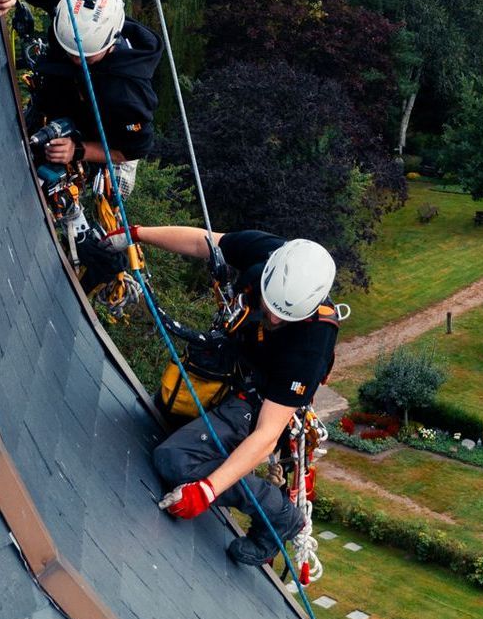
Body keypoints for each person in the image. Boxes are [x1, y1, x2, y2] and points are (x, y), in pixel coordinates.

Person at [138, 226, 340, 567]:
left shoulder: (312, 343)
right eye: (270, 305)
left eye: (284, 316)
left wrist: (207, 489)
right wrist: (137, 233)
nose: (273, 317)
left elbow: (266, 434)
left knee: (174, 461)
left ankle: (278, 515)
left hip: (259, 400)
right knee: (164, 413)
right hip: (233, 368)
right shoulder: (271, 254)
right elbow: (204, 242)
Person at [0, 0, 161, 191]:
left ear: (111, 42)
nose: (75, 59)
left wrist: (78, 150)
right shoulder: (72, 9)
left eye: (86, 57)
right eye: (68, 49)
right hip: (52, 103)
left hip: (84, 133)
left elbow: (132, 148)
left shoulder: (129, 94)